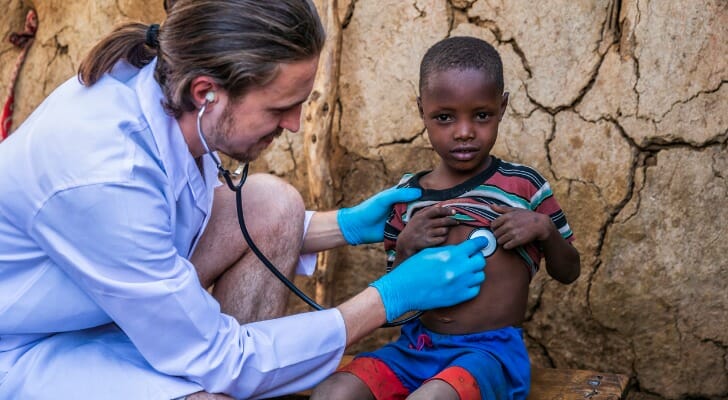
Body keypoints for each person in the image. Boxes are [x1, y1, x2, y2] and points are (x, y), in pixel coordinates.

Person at [0, 3, 492, 399]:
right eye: (281, 107)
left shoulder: (164, 80)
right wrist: (387, 300)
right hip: (29, 345)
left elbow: (171, 221)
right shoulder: (103, 177)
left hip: (106, 302)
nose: (296, 123)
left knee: (273, 205)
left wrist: (344, 226)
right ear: (207, 93)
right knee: (210, 392)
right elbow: (222, 357)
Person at [311, 36, 582, 400]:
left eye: (482, 115)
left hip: (488, 355)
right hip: (415, 349)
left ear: (502, 107)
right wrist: (406, 246)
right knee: (335, 391)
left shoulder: (524, 186)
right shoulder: (408, 196)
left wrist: (545, 230)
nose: (464, 131)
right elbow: (395, 302)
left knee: (433, 397)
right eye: (444, 117)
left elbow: (569, 271)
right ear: (421, 110)